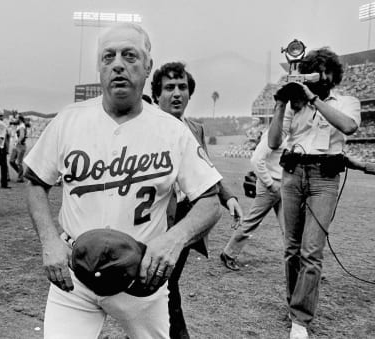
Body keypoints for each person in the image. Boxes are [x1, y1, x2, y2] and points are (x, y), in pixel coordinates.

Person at [24, 23, 224, 339]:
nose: (118, 63)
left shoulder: (171, 131)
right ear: (99, 68)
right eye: (108, 57)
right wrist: (49, 240)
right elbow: (35, 181)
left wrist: (175, 239)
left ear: (148, 67)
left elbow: (210, 201)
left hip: (142, 277)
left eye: (130, 55)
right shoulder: (69, 120)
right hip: (75, 276)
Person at [268, 47, 360, 339]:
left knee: (312, 250)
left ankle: (300, 319)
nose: (321, 77)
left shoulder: (346, 101)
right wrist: (281, 103)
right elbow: (272, 143)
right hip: (293, 172)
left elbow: (348, 126)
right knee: (291, 248)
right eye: (315, 72)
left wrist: (313, 98)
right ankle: (294, 305)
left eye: (325, 72)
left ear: (334, 75)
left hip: (325, 176)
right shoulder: (295, 104)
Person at [150, 61, 242, 339]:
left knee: (166, 280)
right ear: (156, 96)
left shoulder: (195, 128)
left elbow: (207, 169)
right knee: (162, 281)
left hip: (186, 217)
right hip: (153, 216)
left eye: (182, 87)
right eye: (168, 88)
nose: (176, 93)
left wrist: (229, 198)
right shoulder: (145, 126)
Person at [221, 129, 286, 271]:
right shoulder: (274, 133)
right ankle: (228, 254)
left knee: (289, 227)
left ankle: (302, 266)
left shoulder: (292, 132)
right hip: (270, 186)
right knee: (252, 221)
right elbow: (256, 160)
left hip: (285, 185)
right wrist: (269, 183)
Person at [9, 112, 27, 183]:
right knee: (11, 161)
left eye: (16, 118)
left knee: (19, 162)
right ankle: (20, 174)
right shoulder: (19, 125)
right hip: (17, 145)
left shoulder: (22, 126)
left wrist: (17, 142)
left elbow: (22, 136)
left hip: (20, 145)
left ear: (19, 119)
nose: (15, 119)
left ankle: (20, 177)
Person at [0, 111, 11, 189]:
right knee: (3, 166)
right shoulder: (3, 125)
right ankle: (4, 183)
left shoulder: (3, 125)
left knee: (3, 166)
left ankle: (4, 182)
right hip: (1, 148)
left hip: (2, 148)